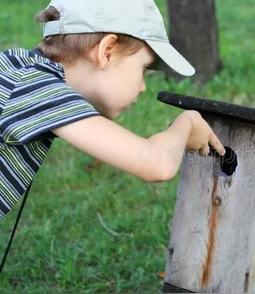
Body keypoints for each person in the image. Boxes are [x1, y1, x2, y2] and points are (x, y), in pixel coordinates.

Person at [0, 0, 226, 219]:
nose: (143, 87)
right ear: (107, 51)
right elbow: (158, 163)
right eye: (144, 68)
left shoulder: (16, 68)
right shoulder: (40, 90)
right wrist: (187, 124)